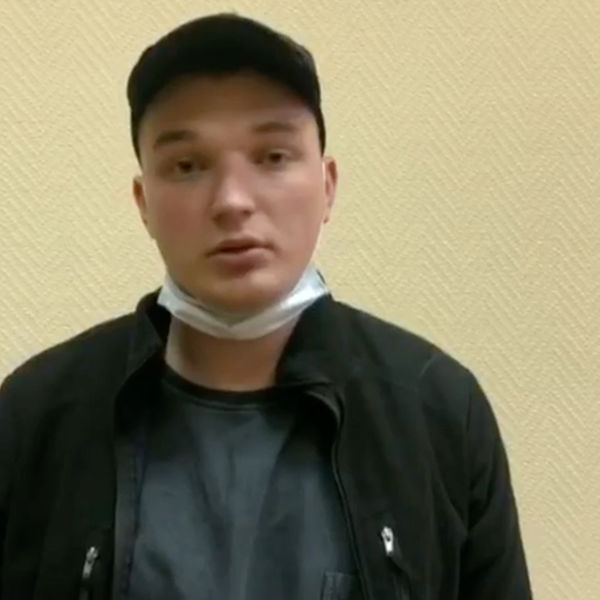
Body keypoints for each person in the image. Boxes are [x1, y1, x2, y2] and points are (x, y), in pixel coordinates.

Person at [0, 13, 532, 600]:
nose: (232, 201)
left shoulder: (438, 412)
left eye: (273, 157)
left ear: (327, 185)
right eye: (187, 165)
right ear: (143, 201)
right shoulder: (34, 417)